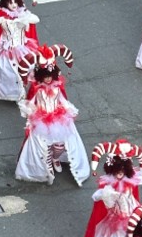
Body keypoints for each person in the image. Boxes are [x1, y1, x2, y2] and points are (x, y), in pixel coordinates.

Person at [12, 44, 89, 186]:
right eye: (45, 77)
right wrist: (31, 116)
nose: (48, 80)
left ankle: (56, 158)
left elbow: (62, 100)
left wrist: (69, 109)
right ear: (41, 77)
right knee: (43, 145)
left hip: (57, 118)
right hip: (42, 120)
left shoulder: (57, 87)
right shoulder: (37, 90)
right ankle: (47, 168)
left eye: (50, 77)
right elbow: (31, 103)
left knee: (60, 143)